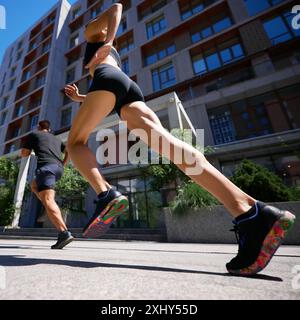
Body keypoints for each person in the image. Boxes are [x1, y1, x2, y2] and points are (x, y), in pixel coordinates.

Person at [64, 3, 295, 276]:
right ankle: (252, 213)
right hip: (125, 90)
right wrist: (82, 98)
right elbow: (107, 83)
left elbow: (115, 6)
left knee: (75, 143)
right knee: (173, 148)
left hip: (107, 82)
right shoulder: (108, 56)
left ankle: (106, 194)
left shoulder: (93, 33)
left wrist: (107, 42)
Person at [20, 120, 74, 249]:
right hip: (57, 169)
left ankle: (64, 232)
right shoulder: (56, 139)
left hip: (46, 168)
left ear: (39, 127)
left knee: (49, 199)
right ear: (49, 129)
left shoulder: (34, 135)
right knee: (33, 185)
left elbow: (25, 154)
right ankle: (48, 206)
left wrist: (25, 150)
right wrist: (63, 165)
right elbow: (69, 151)